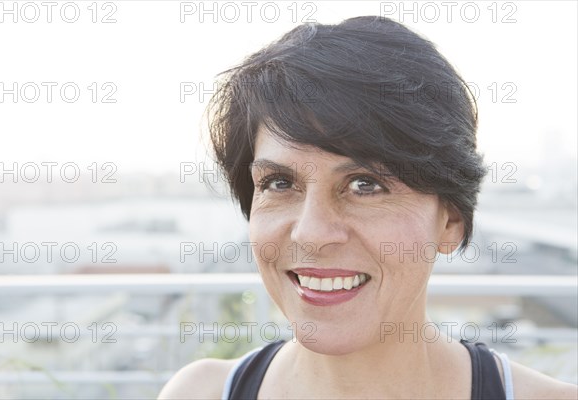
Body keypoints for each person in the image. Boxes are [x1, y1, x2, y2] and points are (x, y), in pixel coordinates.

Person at [159, 16, 577, 399]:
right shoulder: (201, 392)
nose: (311, 232)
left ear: (450, 218)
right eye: (279, 183)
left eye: (365, 185)